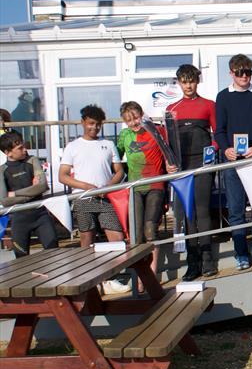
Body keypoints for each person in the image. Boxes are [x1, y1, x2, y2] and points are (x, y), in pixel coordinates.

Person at [58, 105, 128, 294]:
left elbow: (119, 171)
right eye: (90, 124)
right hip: (83, 199)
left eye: (98, 125)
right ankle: (89, 282)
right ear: (83, 123)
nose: (94, 128)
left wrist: (108, 187)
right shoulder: (73, 146)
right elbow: (63, 176)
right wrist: (86, 187)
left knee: (116, 237)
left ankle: (112, 277)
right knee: (86, 241)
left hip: (106, 199)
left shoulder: (108, 144)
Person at [215, 54, 252, 270]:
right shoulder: (223, 97)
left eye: (247, 72)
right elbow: (219, 131)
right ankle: (241, 253)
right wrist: (226, 149)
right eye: (239, 72)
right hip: (232, 162)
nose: (244, 76)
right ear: (231, 73)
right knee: (236, 209)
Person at [166, 64, 218, 280]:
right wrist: (169, 163)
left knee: (203, 210)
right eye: (184, 82)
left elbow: (218, 136)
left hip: (203, 164)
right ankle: (192, 263)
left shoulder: (208, 105)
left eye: (192, 81)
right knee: (187, 214)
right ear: (179, 83)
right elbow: (167, 142)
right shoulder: (171, 109)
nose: (188, 86)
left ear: (197, 81)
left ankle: (208, 260)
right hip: (182, 167)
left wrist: (212, 151)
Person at [117, 101, 178, 279]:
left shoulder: (155, 131)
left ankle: (152, 276)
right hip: (135, 187)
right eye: (129, 120)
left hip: (155, 185)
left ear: (142, 114)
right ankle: (140, 278)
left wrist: (169, 163)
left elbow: (169, 152)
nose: (134, 123)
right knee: (135, 235)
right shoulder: (124, 135)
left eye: (136, 117)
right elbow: (114, 157)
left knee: (150, 230)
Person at [0, 130, 59, 257]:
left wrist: (15, 194)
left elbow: (43, 186)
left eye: (24, 145)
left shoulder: (32, 160)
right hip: (19, 219)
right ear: (8, 152)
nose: (25, 150)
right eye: (20, 148)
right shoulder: (2, 171)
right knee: (21, 260)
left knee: (54, 253)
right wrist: (33, 190)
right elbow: (4, 201)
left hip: (41, 215)